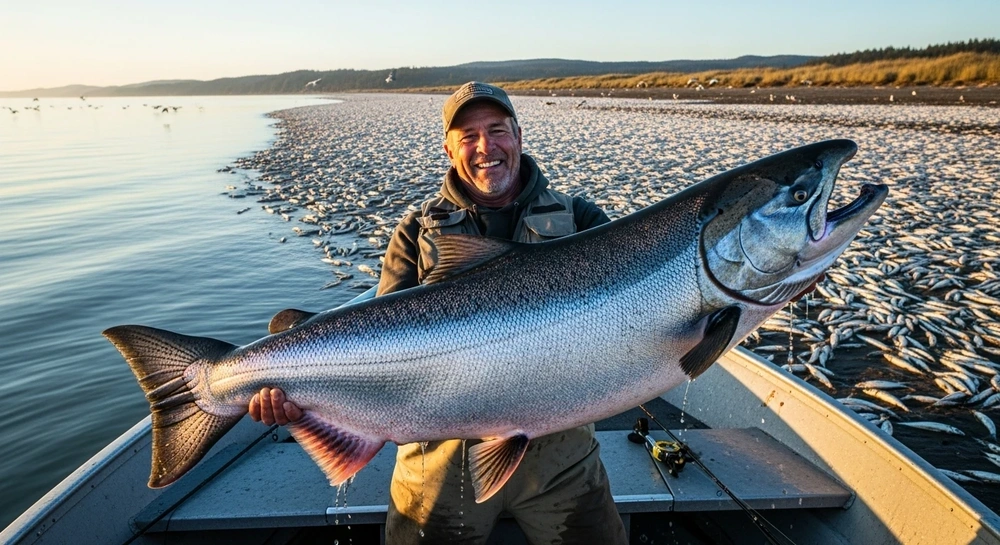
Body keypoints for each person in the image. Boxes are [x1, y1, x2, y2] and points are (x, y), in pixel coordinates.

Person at [249, 81, 628, 544]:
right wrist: (299, 398)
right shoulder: (415, 232)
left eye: (497, 130)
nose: (485, 146)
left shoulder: (583, 223)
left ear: (519, 137)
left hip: (563, 460)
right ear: (450, 151)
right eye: (468, 136)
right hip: (438, 462)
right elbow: (376, 351)